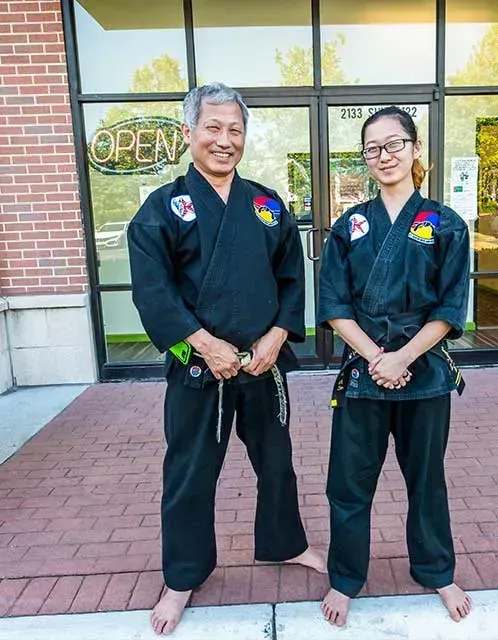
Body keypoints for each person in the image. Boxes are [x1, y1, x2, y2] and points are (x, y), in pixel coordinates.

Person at [128, 82, 326, 636]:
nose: (224, 140)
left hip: (262, 365)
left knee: (277, 462)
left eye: (235, 129)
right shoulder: (163, 208)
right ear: (189, 133)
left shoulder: (266, 204)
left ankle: (286, 545)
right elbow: (152, 291)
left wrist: (280, 335)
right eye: (213, 128)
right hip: (199, 368)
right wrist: (202, 344)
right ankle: (182, 576)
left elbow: (292, 275)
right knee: (190, 473)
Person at [317, 106, 472, 627]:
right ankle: (345, 577)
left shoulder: (444, 224)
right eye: (372, 149)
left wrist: (403, 357)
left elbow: (451, 309)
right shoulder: (351, 225)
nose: (383, 156)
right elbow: (334, 305)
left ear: (415, 148)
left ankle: (436, 570)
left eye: (393, 144)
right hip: (365, 373)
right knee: (349, 481)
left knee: (427, 479)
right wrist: (377, 358)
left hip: (423, 373)